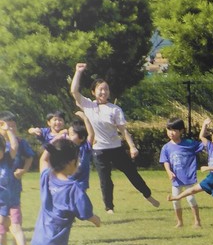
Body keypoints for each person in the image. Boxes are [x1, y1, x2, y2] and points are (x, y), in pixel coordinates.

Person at [70, 63, 159, 213]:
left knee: (132, 173)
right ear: (93, 92)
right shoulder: (88, 105)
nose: (104, 92)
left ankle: (148, 195)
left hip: (116, 148)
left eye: (106, 89)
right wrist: (78, 72)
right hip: (99, 151)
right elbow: (74, 91)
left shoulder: (115, 109)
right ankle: (109, 207)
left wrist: (132, 146)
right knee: (105, 180)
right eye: (100, 89)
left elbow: (123, 130)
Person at [169, 119, 213, 230]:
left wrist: (208, 167)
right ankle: (177, 197)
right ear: (212, 137)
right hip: (210, 178)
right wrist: (204, 125)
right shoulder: (211, 147)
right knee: (193, 190)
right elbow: (202, 136)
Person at [0, 112, 34, 245]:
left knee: (16, 225)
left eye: (13, 126)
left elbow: (15, 147)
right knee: (2, 232)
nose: (11, 128)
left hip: (13, 196)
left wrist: (24, 170)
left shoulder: (8, 156)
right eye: (7, 125)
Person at [159, 119, 205, 229]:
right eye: (169, 129)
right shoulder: (166, 147)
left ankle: (197, 221)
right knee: (175, 201)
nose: (171, 132)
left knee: (190, 199)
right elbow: (165, 161)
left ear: (181, 131)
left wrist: (205, 128)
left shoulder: (189, 143)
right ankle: (179, 222)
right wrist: (169, 172)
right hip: (176, 180)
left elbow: (204, 144)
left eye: (174, 130)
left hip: (188, 177)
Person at [67, 112, 94, 191]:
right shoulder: (67, 148)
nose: (69, 137)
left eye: (72, 134)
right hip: (68, 181)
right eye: (68, 134)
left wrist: (85, 118)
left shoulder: (85, 148)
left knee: (79, 202)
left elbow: (91, 134)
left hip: (81, 183)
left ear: (81, 138)